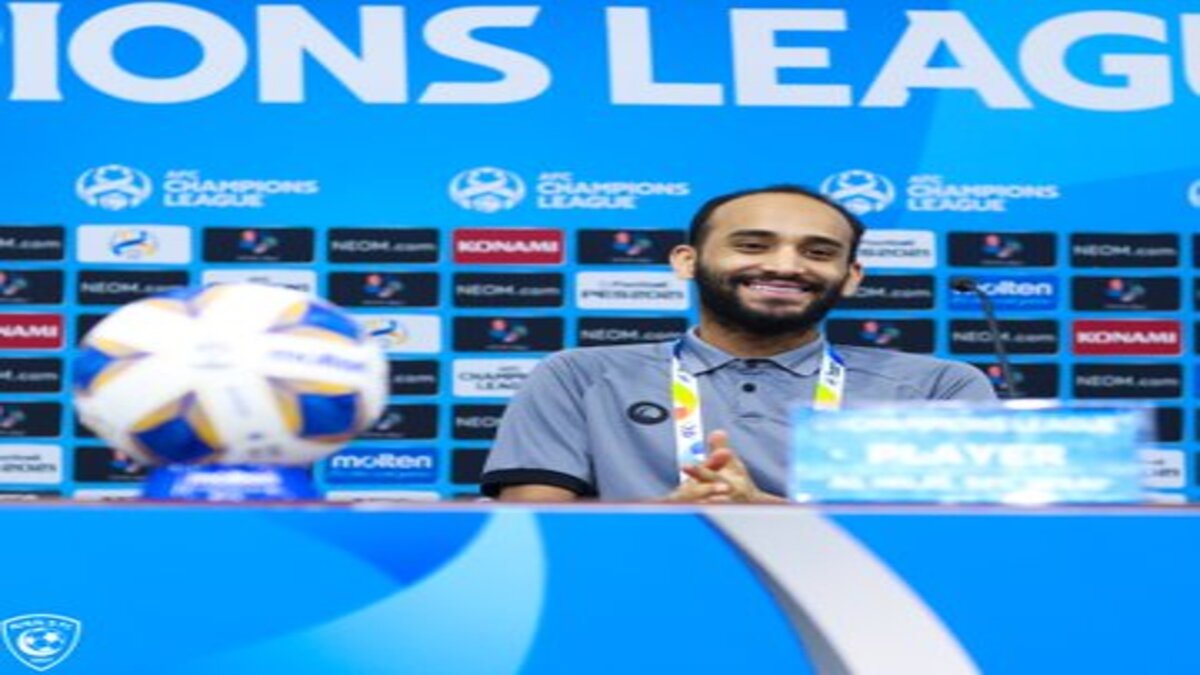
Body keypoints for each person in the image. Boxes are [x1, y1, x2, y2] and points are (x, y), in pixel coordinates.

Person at [480, 185, 997, 503]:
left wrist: (760, 513)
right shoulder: (579, 376)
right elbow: (533, 530)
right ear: (687, 261)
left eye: (818, 253)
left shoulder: (937, 387)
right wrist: (676, 518)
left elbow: (961, 544)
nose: (785, 265)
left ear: (850, 277)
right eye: (752, 245)